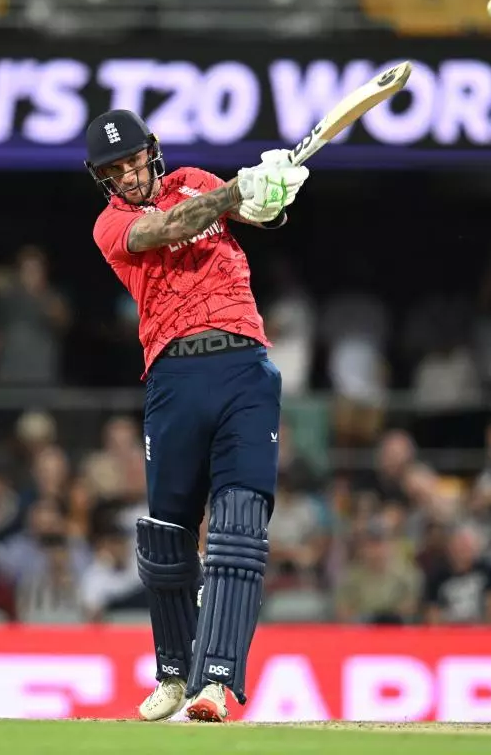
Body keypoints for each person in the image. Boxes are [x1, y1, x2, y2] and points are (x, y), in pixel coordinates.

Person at [86, 109, 309, 723]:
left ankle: (216, 680)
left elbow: (257, 214)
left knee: (239, 523)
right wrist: (241, 188)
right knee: (169, 534)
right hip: (174, 375)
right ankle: (174, 672)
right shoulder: (113, 225)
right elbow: (174, 225)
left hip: (243, 365)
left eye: (134, 160)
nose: (130, 175)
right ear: (102, 179)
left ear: (151, 152)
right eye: (115, 170)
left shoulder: (193, 177)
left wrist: (272, 193)